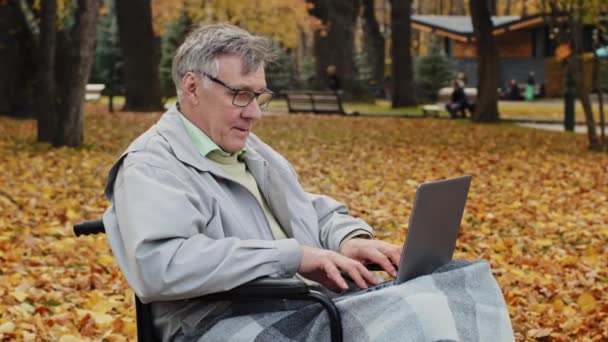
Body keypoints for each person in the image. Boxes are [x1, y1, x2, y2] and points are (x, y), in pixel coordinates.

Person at [103, 24, 513, 341]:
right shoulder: (152, 165)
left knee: (461, 280)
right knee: (418, 318)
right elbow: (161, 267)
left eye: (259, 96)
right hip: (225, 322)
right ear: (192, 87)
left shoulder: (248, 149)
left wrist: (347, 238)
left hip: (301, 304)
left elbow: (307, 206)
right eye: (240, 95)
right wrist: (292, 257)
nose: (254, 114)